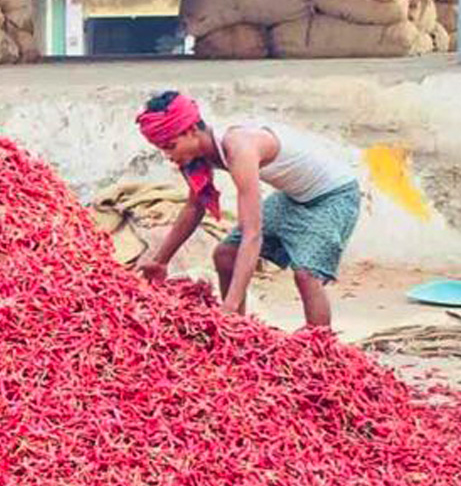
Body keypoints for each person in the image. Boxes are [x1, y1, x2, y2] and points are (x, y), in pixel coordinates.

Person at [135, 91, 360, 329]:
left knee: (306, 274)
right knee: (225, 254)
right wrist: (160, 261)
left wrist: (229, 306)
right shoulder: (193, 155)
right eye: (163, 149)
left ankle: (321, 350)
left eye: (170, 146)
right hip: (293, 196)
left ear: (192, 130)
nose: (168, 156)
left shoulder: (239, 147)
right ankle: (238, 332)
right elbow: (195, 206)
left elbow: (252, 234)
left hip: (334, 195)